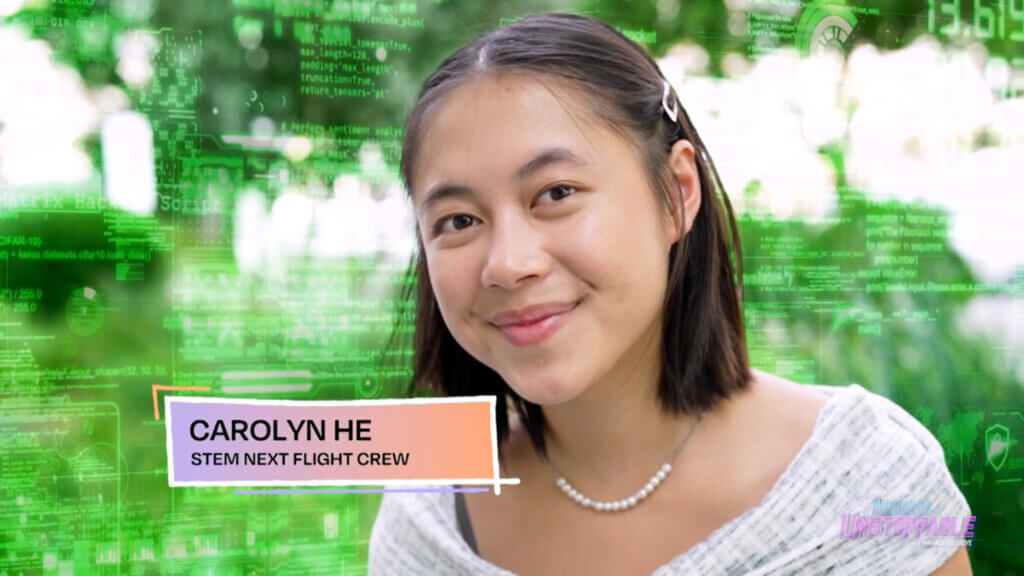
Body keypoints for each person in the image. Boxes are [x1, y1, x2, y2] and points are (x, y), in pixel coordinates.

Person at [368, 12, 973, 575]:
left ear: (678, 191)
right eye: (459, 221)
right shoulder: (426, 516)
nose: (507, 265)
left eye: (555, 193)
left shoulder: (869, 477)